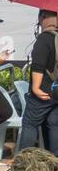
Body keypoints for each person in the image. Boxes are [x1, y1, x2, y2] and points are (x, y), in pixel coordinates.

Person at [18, 8, 58, 155]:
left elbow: (38, 65)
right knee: (54, 124)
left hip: (44, 91)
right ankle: (54, 164)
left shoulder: (44, 38)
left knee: (30, 124)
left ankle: (24, 161)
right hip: (57, 91)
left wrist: (35, 87)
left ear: (43, 17)